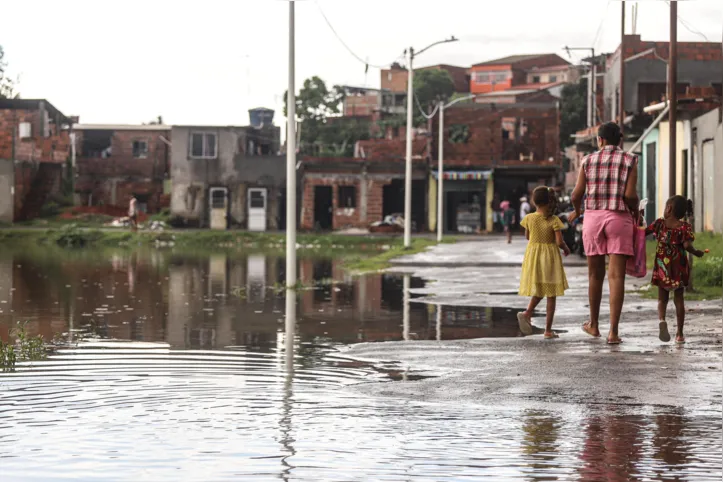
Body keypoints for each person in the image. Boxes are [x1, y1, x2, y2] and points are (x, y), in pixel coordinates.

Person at [569, 122, 639, 345]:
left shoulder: (587, 160)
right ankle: (614, 332)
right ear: (620, 140)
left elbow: (576, 193)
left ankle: (594, 325)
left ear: (599, 140)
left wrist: (578, 210)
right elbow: (630, 196)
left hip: (593, 219)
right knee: (616, 276)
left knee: (594, 275)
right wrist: (636, 211)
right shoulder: (629, 160)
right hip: (619, 218)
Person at [646, 196, 707, 344]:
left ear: (668, 208)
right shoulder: (685, 227)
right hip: (678, 268)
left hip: (662, 269)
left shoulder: (660, 223)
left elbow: (643, 232)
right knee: (679, 300)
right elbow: (687, 246)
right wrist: (697, 252)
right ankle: (679, 334)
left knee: (662, 299)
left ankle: (662, 320)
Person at [517, 187, 571, 339]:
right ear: (550, 201)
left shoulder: (529, 218)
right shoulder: (554, 220)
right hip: (549, 258)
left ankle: (528, 312)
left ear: (534, 201)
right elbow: (559, 242)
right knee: (551, 295)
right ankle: (548, 330)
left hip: (534, 257)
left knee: (540, 289)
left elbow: (528, 237)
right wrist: (566, 248)